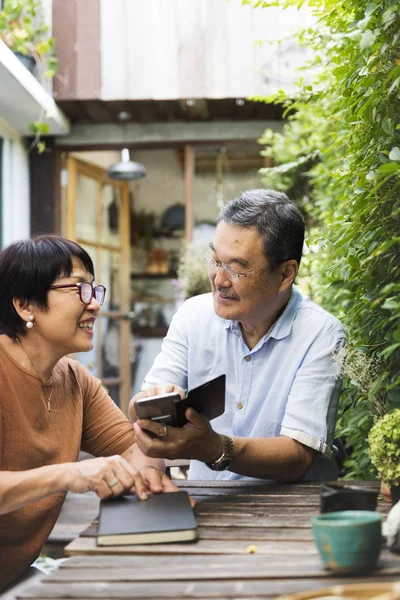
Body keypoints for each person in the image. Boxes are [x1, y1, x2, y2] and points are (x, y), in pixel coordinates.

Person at [130, 189, 346, 482]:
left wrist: (216, 448)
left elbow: (298, 456)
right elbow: (142, 405)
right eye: (216, 260)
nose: (219, 280)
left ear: (285, 274)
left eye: (237, 269)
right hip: (206, 504)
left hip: (289, 511)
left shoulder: (321, 333)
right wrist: (149, 406)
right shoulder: (192, 317)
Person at [0, 235, 178, 591]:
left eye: (95, 291)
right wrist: (68, 473)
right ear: (24, 306)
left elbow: (138, 446)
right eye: (79, 290)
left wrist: (146, 474)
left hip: (14, 576)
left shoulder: (75, 380)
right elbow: (71, 474)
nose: (94, 305)